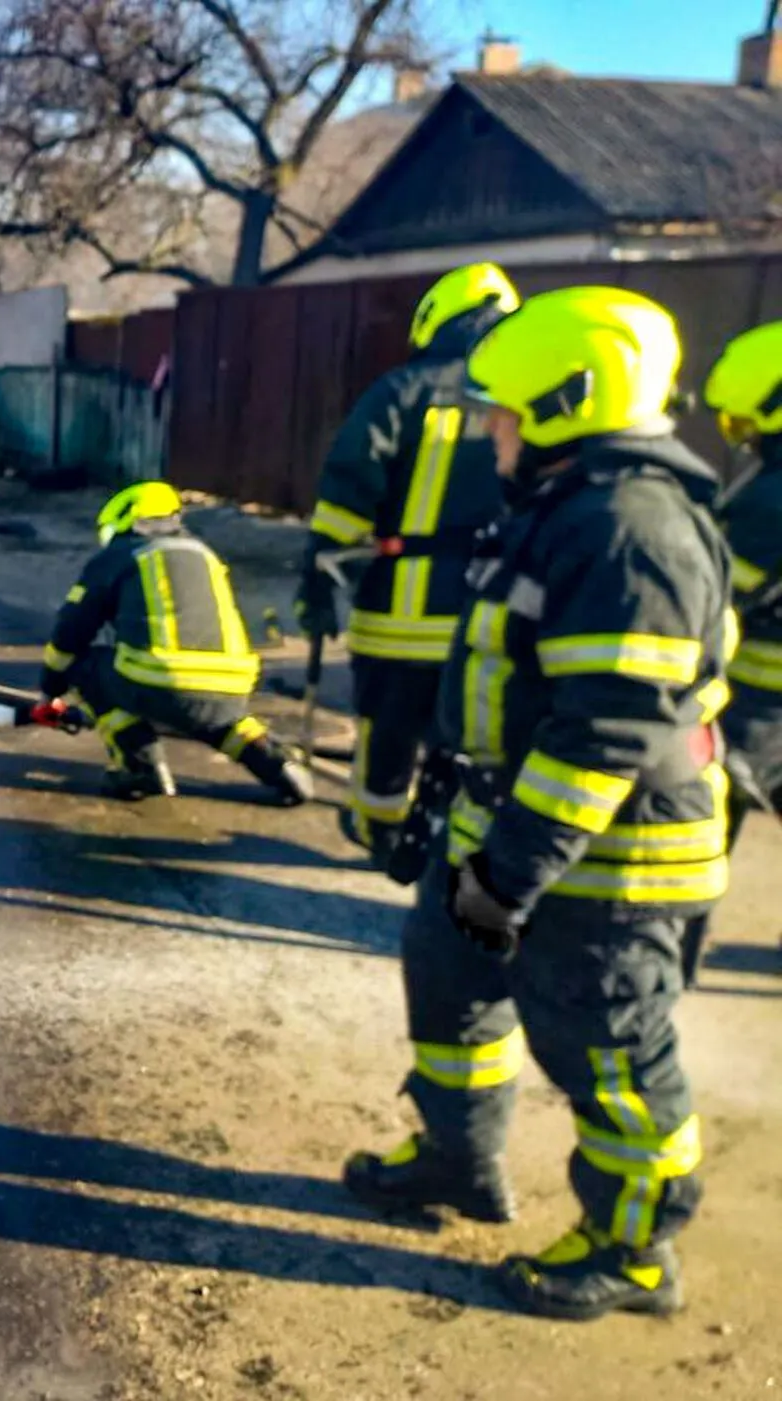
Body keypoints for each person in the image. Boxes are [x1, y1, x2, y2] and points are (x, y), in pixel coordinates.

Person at [342, 287, 732, 1321]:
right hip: (508, 833)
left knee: (605, 1054)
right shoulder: (566, 510)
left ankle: (632, 1249)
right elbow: (509, 682)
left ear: (567, 403)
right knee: (447, 984)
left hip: (605, 865)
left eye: (503, 414)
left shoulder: (627, 531)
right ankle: (455, 1161)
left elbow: (600, 732)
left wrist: (503, 878)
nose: (489, 433)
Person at [297, 263, 518, 866]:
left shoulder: (403, 391)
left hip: (401, 607)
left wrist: (317, 580)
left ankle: (377, 827)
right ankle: (444, 832)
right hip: (489, 610)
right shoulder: (518, 398)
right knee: (466, 730)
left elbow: (348, 490)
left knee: (388, 729)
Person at [39, 481, 313, 805]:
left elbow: (71, 631)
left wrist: (52, 690)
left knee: (87, 668)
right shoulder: (205, 554)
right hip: (233, 681)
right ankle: (280, 767)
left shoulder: (122, 554)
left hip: (160, 679)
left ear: (126, 521)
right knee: (217, 721)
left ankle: (140, 767)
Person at [705, 322, 782, 884]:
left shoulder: (769, 499)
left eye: (745, 423)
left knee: (709, 814)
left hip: (758, 696)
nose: (742, 439)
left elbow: (720, 595)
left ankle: (676, 940)